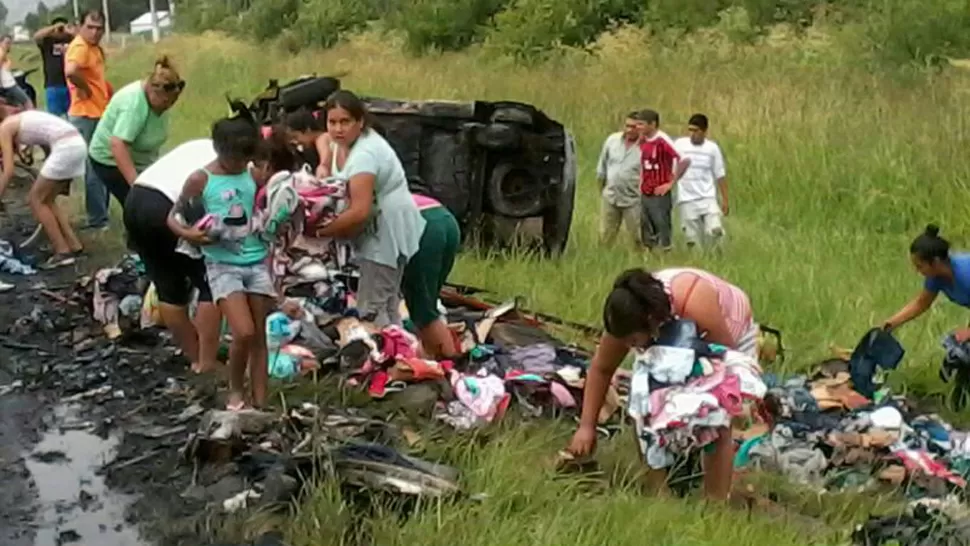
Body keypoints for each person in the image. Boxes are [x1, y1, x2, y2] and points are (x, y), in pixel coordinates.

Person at [566, 267, 758, 501]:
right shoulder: (625, 319)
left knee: (714, 417)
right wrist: (587, 427)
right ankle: (660, 493)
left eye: (633, 341)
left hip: (725, 339)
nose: (628, 346)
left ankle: (716, 501)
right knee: (642, 401)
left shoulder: (695, 302)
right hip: (666, 341)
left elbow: (726, 365)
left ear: (650, 322)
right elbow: (601, 369)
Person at [285, 91, 426, 328]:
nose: (338, 128)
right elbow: (323, 139)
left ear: (360, 122)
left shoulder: (365, 155)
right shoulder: (338, 142)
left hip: (385, 232)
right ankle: (399, 356)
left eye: (345, 122)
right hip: (376, 228)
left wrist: (318, 233)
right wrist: (323, 164)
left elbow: (360, 211)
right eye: (332, 122)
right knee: (388, 305)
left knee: (372, 307)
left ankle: (382, 355)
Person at [168, 113, 274, 410]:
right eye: (235, 159)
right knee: (243, 330)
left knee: (259, 338)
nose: (240, 164)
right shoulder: (201, 179)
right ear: (219, 150)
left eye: (245, 158)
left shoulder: (251, 174)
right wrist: (190, 234)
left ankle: (262, 403)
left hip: (255, 261)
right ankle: (236, 391)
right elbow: (173, 216)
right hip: (222, 265)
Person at [124, 138, 222, 375]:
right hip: (166, 207)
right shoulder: (229, 165)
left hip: (135, 200)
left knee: (168, 286)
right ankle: (207, 362)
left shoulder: (200, 145)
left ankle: (195, 359)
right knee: (212, 282)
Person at [89, 55, 184, 210]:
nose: (168, 106)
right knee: (139, 207)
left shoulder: (161, 95)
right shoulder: (133, 104)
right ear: (153, 91)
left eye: (173, 102)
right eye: (166, 102)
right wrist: (137, 187)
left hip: (140, 160)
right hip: (110, 160)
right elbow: (118, 145)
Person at [0, 104, 85, 268]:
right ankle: (74, 245)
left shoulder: (5, 128)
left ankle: (62, 252)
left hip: (65, 147)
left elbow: (9, 170)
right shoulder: (21, 119)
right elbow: (46, 141)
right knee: (48, 199)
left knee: (35, 200)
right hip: (76, 143)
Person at [883, 225, 970, 340]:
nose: (917, 271)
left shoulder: (965, 273)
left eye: (920, 266)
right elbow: (921, 303)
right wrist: (888, 325)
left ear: (936, 262)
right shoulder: (936, 277)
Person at [65, 9, 109, 231]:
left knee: (101, 166)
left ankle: (101, 215)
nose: (94, 32)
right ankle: (98, 219)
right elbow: (71, 71)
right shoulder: (81, 46)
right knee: (94, 168)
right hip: (85, 115)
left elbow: (97, 77)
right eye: (90, 27)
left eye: (99, 28)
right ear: (80, 26)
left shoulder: (93, 48)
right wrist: (84, 89)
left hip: (96, 113)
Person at [673, 113, 728, 250]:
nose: (692, 134)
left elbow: (720, 174)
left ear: (704, 131)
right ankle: (699, 262)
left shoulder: (712, 148)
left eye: (696, 131)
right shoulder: (680, 145)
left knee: (715, 231)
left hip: (707, 197)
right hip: (687, 199)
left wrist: (725, 200)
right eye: (690, 130)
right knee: (692, 238)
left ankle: (717, 256)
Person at [638, 109, 689, 252]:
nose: (638, 128)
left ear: (652, 124)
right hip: (645, 190)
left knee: (661, 224)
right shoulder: (642, 140)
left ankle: (665, 252)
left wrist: (670, 183)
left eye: (642, 124)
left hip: (659, 192)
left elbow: (684, 160)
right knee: (646, 226)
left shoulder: (662, 140)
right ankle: (650, 253)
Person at [595, 112, 644, 246]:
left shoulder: (646, 147)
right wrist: (603, 191)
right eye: (627, 126)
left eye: (634, 127)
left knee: (638, 239)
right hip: (610, 197)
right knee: (605, 237)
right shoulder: (612, 140)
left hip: (634, 200)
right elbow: (601, 169)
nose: (629, 130)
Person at [34, 17, 76, 118]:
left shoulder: (73, 40)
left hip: (72, 84)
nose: (60, 30)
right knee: (54, 119)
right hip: (53, 85)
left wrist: (70, 31)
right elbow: (36, 36)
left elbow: (83, 38)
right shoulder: (47, 42)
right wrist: (53, 28)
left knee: (74, 117)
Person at [0, 35, 33, 109]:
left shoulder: (4, 54)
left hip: (7, 85)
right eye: (7, 43)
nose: (9, 45)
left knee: (15, 106)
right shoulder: (1, 52)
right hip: (9, 85)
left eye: (10, 43)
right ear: (0, 43)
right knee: (27, 102)